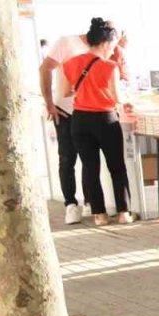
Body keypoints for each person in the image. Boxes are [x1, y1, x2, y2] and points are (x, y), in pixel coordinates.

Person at [62, 18, 131, 226]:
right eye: (113, 45)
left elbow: (66, 91)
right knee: (117, 167)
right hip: (105, 119)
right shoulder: (110, 66)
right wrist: (126, 102)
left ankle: (99, 216)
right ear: (105, 43)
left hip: (80, 120)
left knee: (90, 168)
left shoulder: (70, 63)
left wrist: (86, 90)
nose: (113, 50)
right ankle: (123, 213)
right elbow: (117, 98)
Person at [40, 25, 93, 225]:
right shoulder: (67, 42)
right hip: (65, 111)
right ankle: (70, 204)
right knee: (67, 158)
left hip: (89, 110)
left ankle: (90, 201)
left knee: (90, 158)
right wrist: (49, 103)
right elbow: (45, 68)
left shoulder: (103, 48)